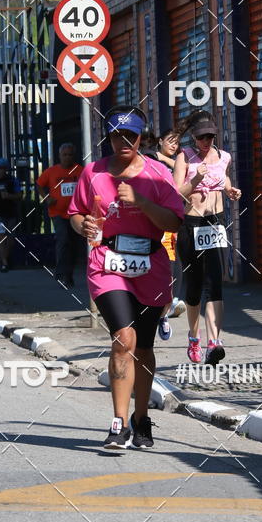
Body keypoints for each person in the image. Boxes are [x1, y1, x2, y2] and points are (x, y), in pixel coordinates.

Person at [69, 105, 183, 450]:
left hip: (150, 265)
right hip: (107, 262)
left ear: (140, 137)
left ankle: (141, 417)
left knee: (144, 348)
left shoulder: (157, 174)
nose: (123, 142)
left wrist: (140, 200)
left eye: (130, 135)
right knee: (123, 339)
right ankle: (118, 423)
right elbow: (76, 213)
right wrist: (83, 225)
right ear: (108, 137)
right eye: (117, 135)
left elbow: (174, 222)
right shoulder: (93, 172)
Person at [173, 110, 242, 365]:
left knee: (215, 281)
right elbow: (176, 193)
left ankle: (214, 342)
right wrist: (196, 179)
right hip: (190, 224)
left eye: (210, 137)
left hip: (214, 223)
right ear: (193, 136)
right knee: (194, 285)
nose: (206, 141)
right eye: (202, 137)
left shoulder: (224, 156)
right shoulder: (184, 157)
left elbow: (223, 177)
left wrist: (230, 190)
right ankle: (194, 337)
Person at [152, 128, 186, 340]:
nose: (174, 145)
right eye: (170, 141)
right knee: (168, 261)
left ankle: (169, 302)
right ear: (160, 141)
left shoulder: (174, 161)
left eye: (177, 142)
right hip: (158, 219)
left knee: (176, 261)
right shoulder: (152, 160)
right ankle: (163, 308)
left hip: (175, 219)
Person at [37, 143, 83, 287]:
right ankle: (61, 272)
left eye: (70, 155)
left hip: (75, 214)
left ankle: (68, 274)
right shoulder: (52, 171)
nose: (67, 157)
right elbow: (39, 184)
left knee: (74, 244)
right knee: (63, 240)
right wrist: (46, 198)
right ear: (59, 156)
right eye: (65, 155)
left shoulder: (80, 170)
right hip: (57, 213)